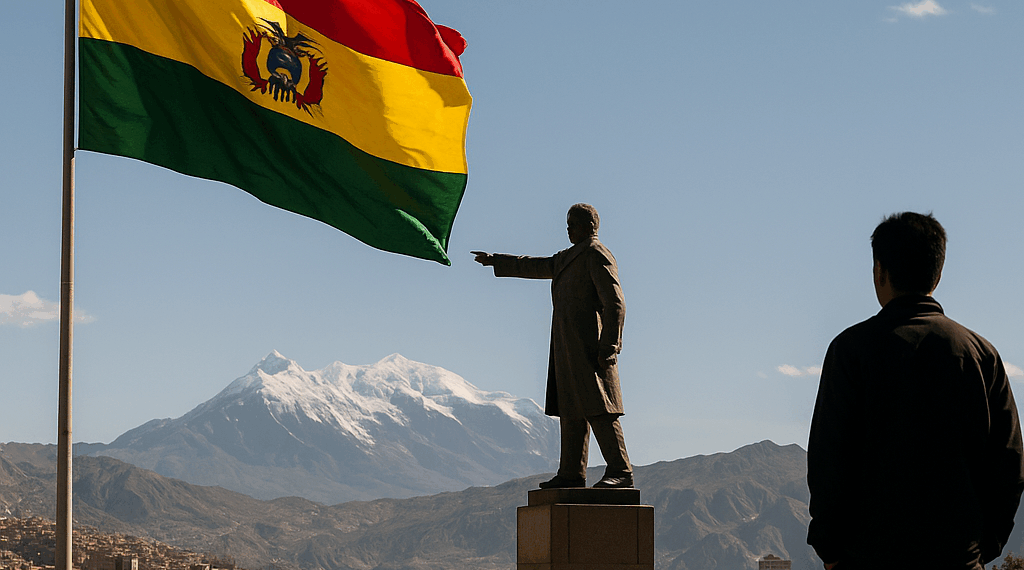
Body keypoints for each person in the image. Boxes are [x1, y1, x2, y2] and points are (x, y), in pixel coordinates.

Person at [806, 212, 1024, 570]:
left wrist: (832, 553)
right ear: (937, 274)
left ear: (879, 271)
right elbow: (1009, 465)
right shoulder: (980, 355)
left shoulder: (850, 351)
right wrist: (980, 549)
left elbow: (828, 463)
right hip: (957, 560)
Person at [472, 203, 633, 489]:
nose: (567, 229)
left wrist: (610, 343)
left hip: (591, 348)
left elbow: (615, 303)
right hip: (567, 347)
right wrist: (497, 260)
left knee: (600, 409)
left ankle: (621, 470)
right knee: (571, 410)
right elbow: (535, 265)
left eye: (572, 224)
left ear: (587, 226)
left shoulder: (597, 254)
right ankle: (572, 473)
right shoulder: (567, 258)